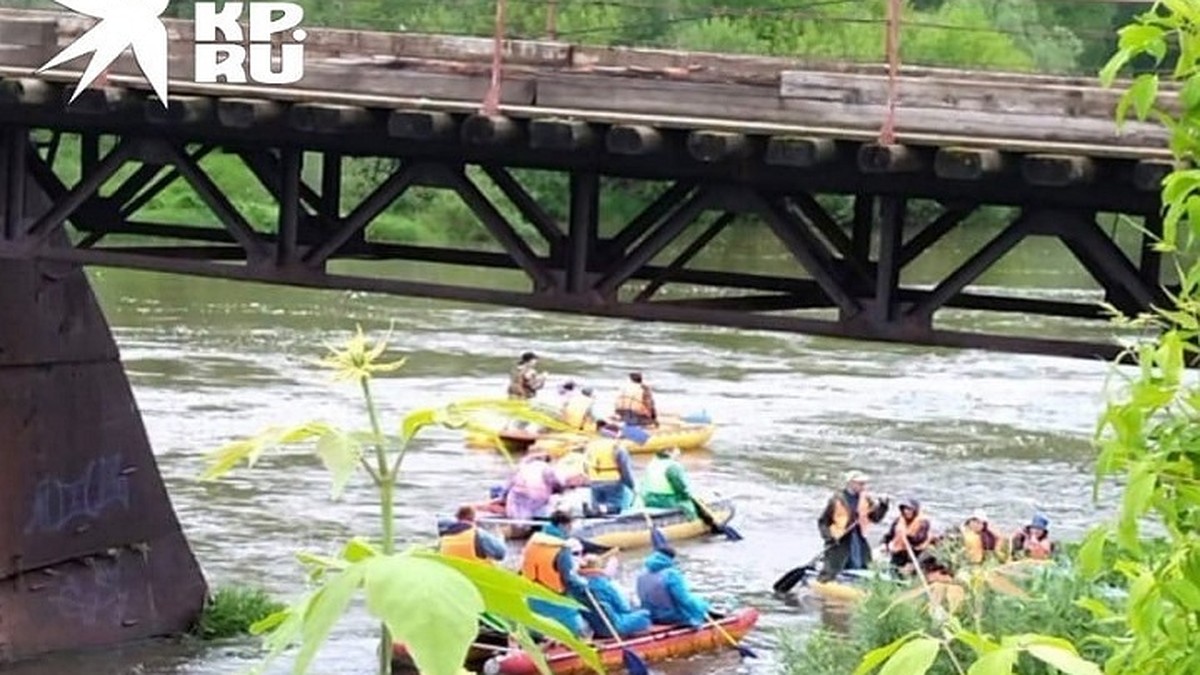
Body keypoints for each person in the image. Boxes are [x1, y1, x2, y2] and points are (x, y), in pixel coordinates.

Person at [520, 510, 589, 637]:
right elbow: (568, 578)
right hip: (556, 600)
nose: (570, 531)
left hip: (534, 597)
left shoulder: (533, 542)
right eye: (569, 527)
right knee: (581, 629)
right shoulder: (562, 548)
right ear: (562, 526)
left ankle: (539, 640)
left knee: (539, 629)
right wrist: (584, 584)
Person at [816, 470, 889, 582]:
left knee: (862, 563)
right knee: (836, 565)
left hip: (858, 538)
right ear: (851, 483)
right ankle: (830, 580)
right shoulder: (836, 500)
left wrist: (883, 507)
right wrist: (829, 537)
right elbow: (823, 522)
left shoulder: (866, 499)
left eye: (864, 483)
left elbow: (875, 518)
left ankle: (860, 584)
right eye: (860, 483)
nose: (863, 486)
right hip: (839, 540)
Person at [573, 553, 652, 638]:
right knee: (646, 614)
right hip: (615, 626)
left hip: (598, 629)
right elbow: (624, 607)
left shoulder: (579, 590)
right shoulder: (603, 584)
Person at [635, 543, 710, 628]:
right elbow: (684, 599)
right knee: (700, 604)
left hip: (652, 617)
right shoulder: (672, 574)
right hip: (672, 617)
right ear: (671, 559)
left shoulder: (641, 576)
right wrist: (702, 607)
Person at [584, 428, 637, 515]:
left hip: (595, 480)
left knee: (597, 505)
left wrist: (590, 477)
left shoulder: (591, 446)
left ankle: (596, 510)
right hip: (613, 481)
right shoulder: (617, 447)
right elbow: (625, 469)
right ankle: (602, 510)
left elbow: (585, 465)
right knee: (614, 507)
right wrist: (631, 486)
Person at [438, 505, 507, 563]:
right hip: (477, 574)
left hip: (455, 572)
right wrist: (500, 537)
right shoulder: (479, 534)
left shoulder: (445, 536)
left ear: (457, 518)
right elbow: (501, 554)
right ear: (473, 519)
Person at [504, 453, 565, 521]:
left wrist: (503, 498)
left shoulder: (521, 467)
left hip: (519, 496)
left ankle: (520, 524)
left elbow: (508, 485)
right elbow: (556, 484)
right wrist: (562, 491)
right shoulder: (547, 468)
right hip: (538, 498)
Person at [641, 447, 696, 519]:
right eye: (676, 453)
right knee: (689, 506)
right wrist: (687, 497)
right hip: (666, 500)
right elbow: (680, 487)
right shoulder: (672, 466)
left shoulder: (651, 464)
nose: (678, 455)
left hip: (648, 499)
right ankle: (693, 520)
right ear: (669, 453)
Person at [882, 497, 933, 573]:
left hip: (916, 552)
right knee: (893, 569)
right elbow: (890, 534)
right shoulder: (898, 521)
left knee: (911, 569)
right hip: (900, 551)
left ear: (915, 511)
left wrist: (906, 535)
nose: (906, 511)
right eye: (904, 509)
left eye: (909, 509)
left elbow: (919, 539)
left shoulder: (923, 522)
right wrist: (885, 543)